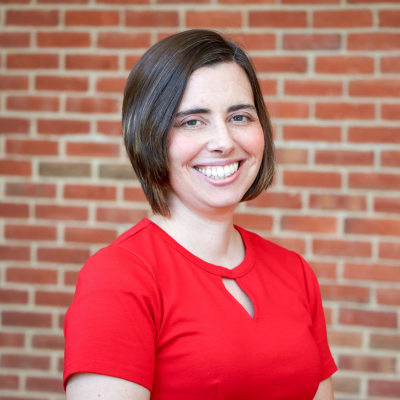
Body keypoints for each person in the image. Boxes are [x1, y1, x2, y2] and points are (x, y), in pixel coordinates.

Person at [64, 29, 337, 400]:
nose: (224, 142)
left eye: (240, 117)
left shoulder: (295, 273)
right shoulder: (119, 277)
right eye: (193, 121)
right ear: (151, 136)